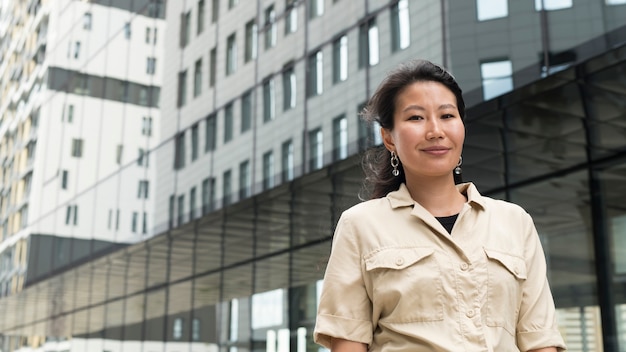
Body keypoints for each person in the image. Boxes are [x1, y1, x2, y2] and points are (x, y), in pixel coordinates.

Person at [313, 59, 566, 351]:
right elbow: (348, 343)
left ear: (461, 127)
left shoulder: (514, 222)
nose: (435, 130)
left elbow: (540, 340)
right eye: (416, 118)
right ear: (389, 138)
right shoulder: (360, 225)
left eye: (447, 115)